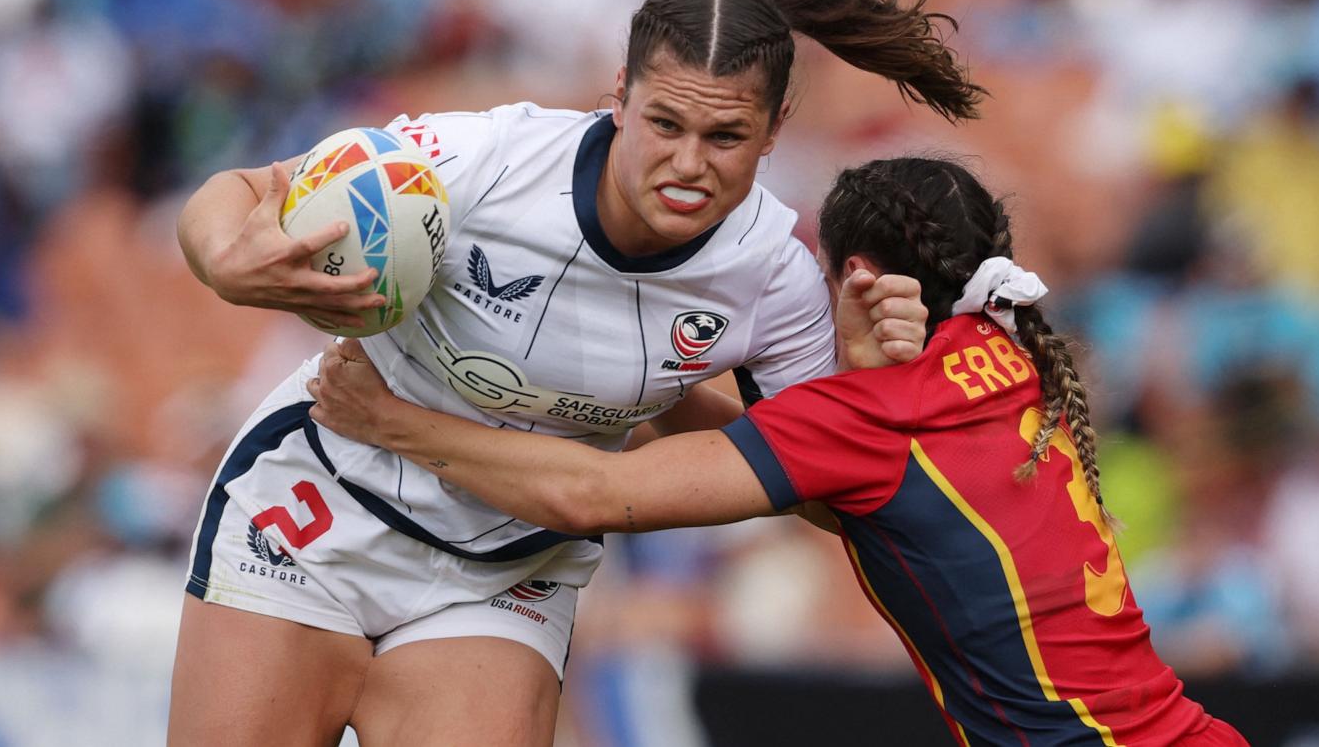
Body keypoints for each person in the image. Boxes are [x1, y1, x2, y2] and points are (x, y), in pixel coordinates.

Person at [169, 0, 980, 747]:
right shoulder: (487, 160)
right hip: (316, 507)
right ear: (619, 93)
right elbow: (250, 189)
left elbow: (821, 493)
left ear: (777, 127)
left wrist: (867, 390)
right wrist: (224, 258)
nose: (687, 164)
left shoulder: (773, 282)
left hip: (505, 573)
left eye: (726, 138)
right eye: (663, 123)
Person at [310, 157, 1251, 746]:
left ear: (854, 275)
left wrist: (392, 420)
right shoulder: (1006, 351)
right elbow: (833, 466)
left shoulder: (870, 418)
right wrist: (664, 386)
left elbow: (595, 495)